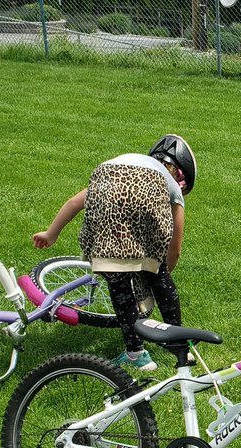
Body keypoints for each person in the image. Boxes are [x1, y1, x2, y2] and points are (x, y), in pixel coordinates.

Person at [32, 134, 196, 371]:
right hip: (143, 190)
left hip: (106, 178)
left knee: (118, 283)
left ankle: (136, 354)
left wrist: (51, 233)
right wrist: (160, 272)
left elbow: (73, 203)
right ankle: (180, 346)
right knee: (158, 275)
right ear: (181, 177)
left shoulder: (127, 162)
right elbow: (175, 248)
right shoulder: (170, 188)